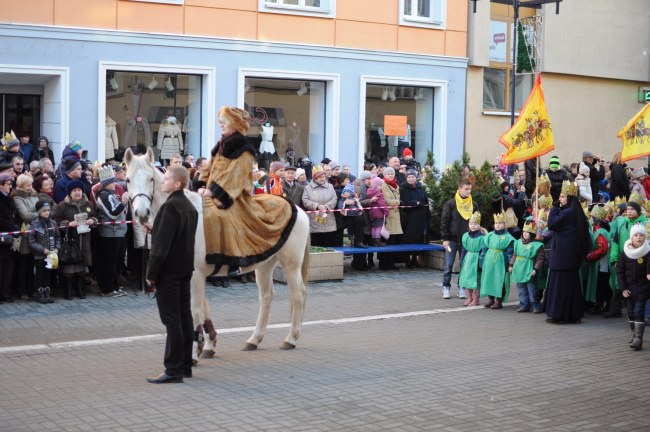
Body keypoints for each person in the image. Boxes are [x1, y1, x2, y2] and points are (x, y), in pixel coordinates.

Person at [197, 106, 296, 276]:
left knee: (225, 217)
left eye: (224, 121)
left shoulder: (244, 149)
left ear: (235, 124)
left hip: (234, 196)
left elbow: (235, 176)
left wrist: (214, 192)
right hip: (211, 192)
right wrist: (200, 184)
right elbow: (209, 167)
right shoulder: (220, 145)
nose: (221, 124)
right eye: (221, 121)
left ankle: (234, 260)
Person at [145, 166, 198, 384]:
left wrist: (151, 274)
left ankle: (173, 369)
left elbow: (162, 247)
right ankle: (184, 365)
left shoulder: (170, 208)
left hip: (169, 271)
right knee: (184, 316)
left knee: (172, 320)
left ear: (177, 184)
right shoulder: (188, 206)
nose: (162, 182)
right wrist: (155, 228)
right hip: (185, 268)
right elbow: (179, 238)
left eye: (166, 179)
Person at [544, 181, 592, 324]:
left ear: (570, 198)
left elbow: (552, 224)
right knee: (569, 284)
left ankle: (560, 314)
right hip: (567, 255)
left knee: (561, 284)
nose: (560, 199)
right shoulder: (573, 211)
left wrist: (553, 208)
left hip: (563, 255)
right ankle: (571, 313)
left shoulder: (568, 212)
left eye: (563, 196)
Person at [606, 192, 647, 318]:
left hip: (641, 259)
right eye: (628, 209)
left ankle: (641, 314)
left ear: (638, 210)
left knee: (639, 286)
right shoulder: (622, 223)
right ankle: (616, 309)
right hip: (624, 259)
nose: (629, 211)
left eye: (632, 209)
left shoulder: (645, 224)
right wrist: (614, 258)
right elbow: (616, 242)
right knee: (620, 285)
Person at [56, 180, 97, 300]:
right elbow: (57, 222)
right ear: (70, 193)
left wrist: (92, 221)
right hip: (70, 241)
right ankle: (68, 291)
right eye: (74, 191)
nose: (77, 192)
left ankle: (80, 289)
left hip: (84, 239)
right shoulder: (62, 205)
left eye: (79, 190)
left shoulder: (89, 204)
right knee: (69, 267)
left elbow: (95, 217)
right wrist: (68, 223)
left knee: (81, 268)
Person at [440, 179, 479, 300]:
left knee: (464, 265)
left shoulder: (474, 204)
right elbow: (444, 221)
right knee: (449, 265)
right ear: (460, 189)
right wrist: (445, 238)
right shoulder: (451, 203)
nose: (468, 191)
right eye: (466, 189)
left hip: (466, 239)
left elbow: (476, 221)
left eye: (470, 189)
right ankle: (446, 287)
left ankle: (461, 287)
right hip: (451, 239)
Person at [95, 165, 129, 297]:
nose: (115, 184)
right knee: (109, 262)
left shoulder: (111, 195)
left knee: (118, 261)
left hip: (119, 233)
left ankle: (115, 285)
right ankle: (107, 288)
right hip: (110, 234)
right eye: (112, 182)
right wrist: (124, 202)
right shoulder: (103, 196)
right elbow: (113, 213)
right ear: (106, 184)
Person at [616, 223, 649, 351]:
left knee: (639, 312)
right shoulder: (625, 253)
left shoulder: (647, 252)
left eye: (642, 235)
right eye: (636, 235)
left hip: (642, 288)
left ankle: (638, 339)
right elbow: (620, 271)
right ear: (631, 237)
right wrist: (623, 288)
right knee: (630, 313)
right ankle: (633, 333)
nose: (639, 238)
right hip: (629, 289)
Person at [28, 200, 61, 304]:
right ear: (39, 212)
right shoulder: (35, 224)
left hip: (51, 255)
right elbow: (31, 241)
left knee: (48, 274)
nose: (47, 213)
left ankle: (47, 293)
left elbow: (58, 237)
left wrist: (56, 248)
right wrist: (42, 249)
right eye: (44, 211)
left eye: (48, 210)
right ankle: (40, 294)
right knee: (39, 275)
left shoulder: (53, 223)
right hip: (39, 256)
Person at [509, 219, 545, 313]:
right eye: (524, 232)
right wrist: (511, 265)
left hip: (529, 269)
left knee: (532, 289)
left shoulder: (537, 245)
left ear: (532, 234)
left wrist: (535, 269)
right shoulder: (517, 243)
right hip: (519, 269)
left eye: (528, 232)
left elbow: (540, 259)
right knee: (521, 288)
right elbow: (514, 255)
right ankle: (524, 305)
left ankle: (535, 306)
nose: (525, 234)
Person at [12, 174, 39, 300]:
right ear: (21, 185)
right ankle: (21, 290)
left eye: (31, 184)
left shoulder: (33, 195)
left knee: (31, 263)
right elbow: (25, 215)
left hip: (35, 232)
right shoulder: (17, 197)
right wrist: (40, 212)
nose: (30, 187)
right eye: (28, 185)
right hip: (24, 234)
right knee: (23, 264)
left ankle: (31, 288)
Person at [480, 212, 515, 310]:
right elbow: (484, 249)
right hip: (489, 261)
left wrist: (509, 264)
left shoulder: (508, 237)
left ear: (504, 224)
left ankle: (499, 301)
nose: (497, 225)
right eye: (496, 223)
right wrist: (481, 261)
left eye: (500, 223)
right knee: (489, 279)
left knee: (499, 281)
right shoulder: (489, 236)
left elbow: (509, 252)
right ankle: (491, 299)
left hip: (500, 262)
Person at [584, 205, 611, 315]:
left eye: (593, 217)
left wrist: (590, 256)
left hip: (602, 264)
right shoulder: (598, 230)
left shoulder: (601, 232)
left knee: (602, 286)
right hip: (599, 264)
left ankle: (602, 306)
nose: (591, 219)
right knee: (601, 285)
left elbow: (602, 249)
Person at [302, 164, 337, 247]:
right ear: (315, 178)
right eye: (319, 177)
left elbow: (334, 199)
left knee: (327, 244)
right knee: (315, 244)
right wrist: (317, 206)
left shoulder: (330, 187)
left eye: (323, 176)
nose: (322, 178)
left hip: (328, 219)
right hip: (314, 220)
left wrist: (326, 206)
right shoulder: (308, 188)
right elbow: (305, 200)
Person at [399, 169, 428, 268]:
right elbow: (404, 202)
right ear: (406, 178)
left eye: (413, 177)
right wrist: (416, 203)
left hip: (420, 216)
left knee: (418, 238)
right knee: (409, 238)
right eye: (409, 177)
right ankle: (407, 259)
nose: (411, 179)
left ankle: (415, 259)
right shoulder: (404, 188)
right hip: (410, 217)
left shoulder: (419, 187)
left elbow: (425, 199)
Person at [458, 211, 485, 307]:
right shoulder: (465, 236)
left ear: (479, 225)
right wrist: (461, 260)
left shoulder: (482, 238)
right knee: (467, 279)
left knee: (476, 281)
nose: (473, 226)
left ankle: (476, 299)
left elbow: (483, 251)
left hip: (476, 259)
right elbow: (464, 249)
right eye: (471, 224)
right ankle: (469, 298)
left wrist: (481, 263)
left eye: (475, 224)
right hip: (468, 260)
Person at [378, 167, 402, 270]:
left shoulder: (396, 185)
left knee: (393, 241)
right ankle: (383, 263)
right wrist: (397, 202)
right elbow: (387, 200)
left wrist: (396, 201)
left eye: (392, 174)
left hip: (396, 216)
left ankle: (391, 262)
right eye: (388, 174)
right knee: (386, 240)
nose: (390, 175)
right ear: (384, 175)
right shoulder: (384, 185)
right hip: (389, 216)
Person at [0, 172, 19, 303]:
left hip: (10, 237)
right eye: (8, 184)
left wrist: (16, 226)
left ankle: (5, 293)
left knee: (8, 267)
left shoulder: (10, 198)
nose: (10, 186)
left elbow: (14, 214)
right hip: (2, 234)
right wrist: (12, 226)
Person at [367, 176, 388, 247]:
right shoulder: (379, 194)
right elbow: (382, 204)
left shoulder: (369, 192)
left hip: (372, 213)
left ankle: (374, 241)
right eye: (381, 185)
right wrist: (386, 212)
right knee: (378, 227)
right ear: (377, 186)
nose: (382, 187)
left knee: (374, 227)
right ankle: (378, 241)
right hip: (379, 213)